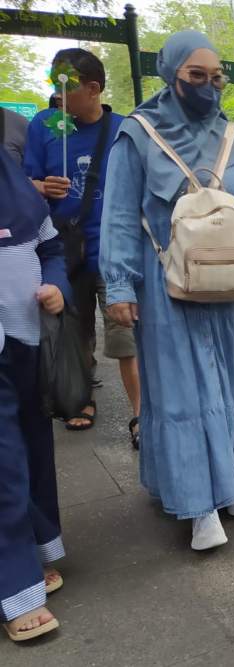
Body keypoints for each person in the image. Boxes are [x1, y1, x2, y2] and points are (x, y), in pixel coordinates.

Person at [100, 31, 234, 550]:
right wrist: (119, 284)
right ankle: (198, 504)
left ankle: (230, 480)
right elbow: (120, 216)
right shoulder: (138, 134)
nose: (209, 86)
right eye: (196, 76)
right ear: (171, 74)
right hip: (169, 285)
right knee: (185, 390)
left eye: (216, 77)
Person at [22, 48, 140, 446]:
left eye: (66, 85)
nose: (58, 93)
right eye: (53, 82)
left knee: (126, 334)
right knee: (76, 329)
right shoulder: (45, 126)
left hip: (116, 251)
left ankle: (142, 415)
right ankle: (83, 397)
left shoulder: (125, 129)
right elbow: (19, 184)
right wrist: (39, 187)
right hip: (64, 249)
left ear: (93, 89)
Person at [0, 149, 70, 641]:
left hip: (25, 344)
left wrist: (56, 287)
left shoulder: (18, 184)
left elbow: (52, 251)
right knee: (4, 461)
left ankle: (37, 544)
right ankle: (18, 583)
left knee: (33, 449)